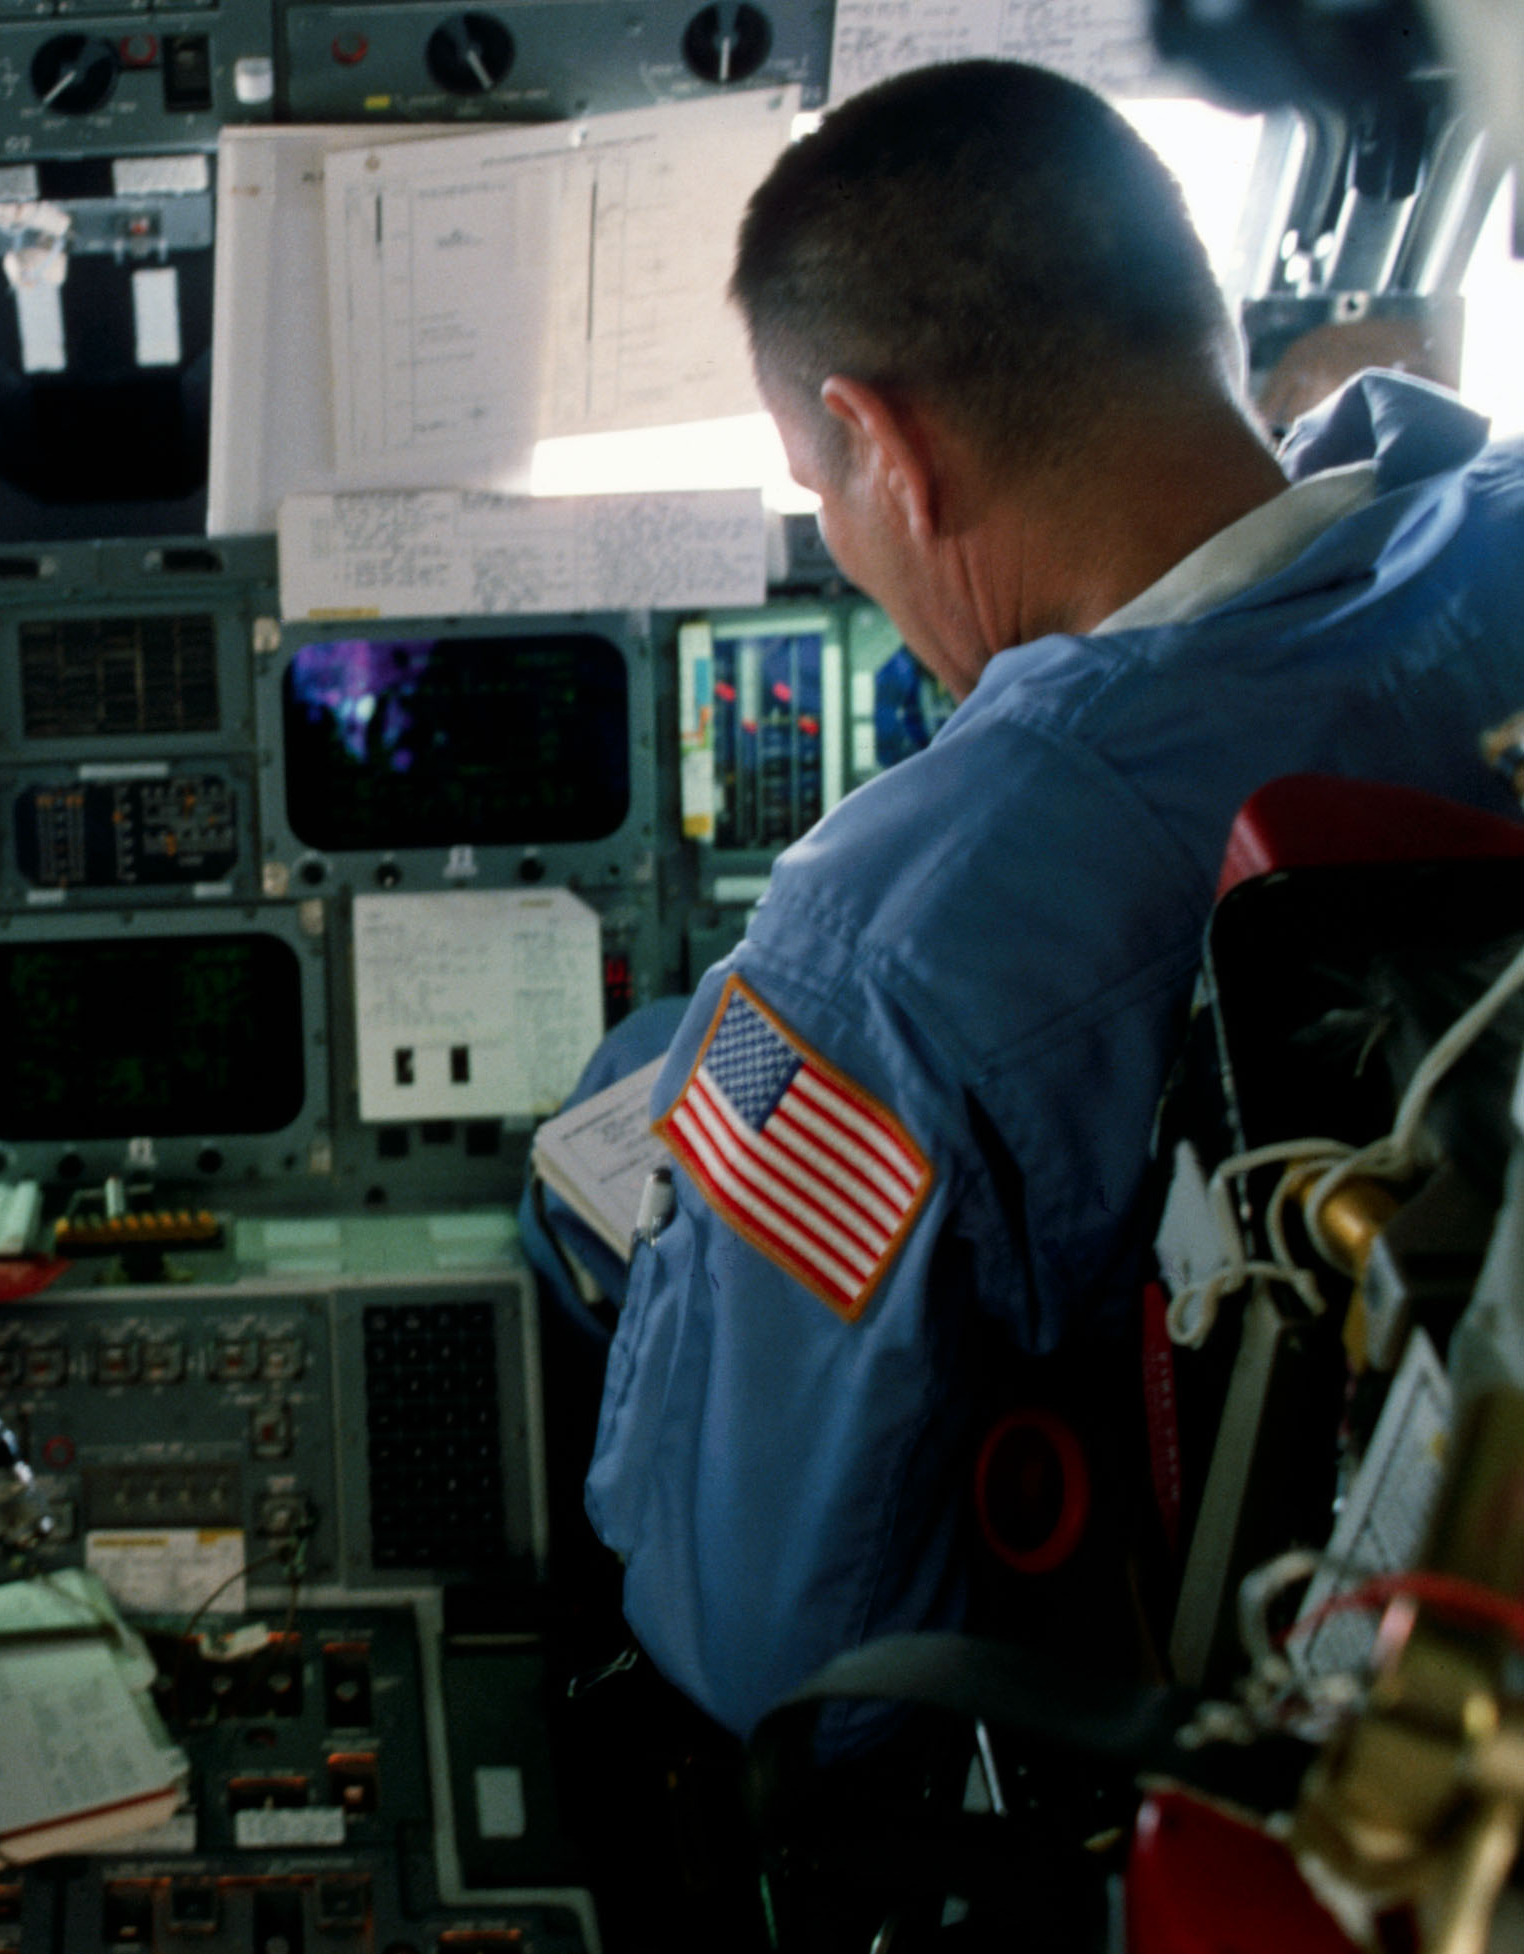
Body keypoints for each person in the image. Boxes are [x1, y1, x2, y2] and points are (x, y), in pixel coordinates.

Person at [573, 60, 1524, 1745]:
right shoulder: (1493, 532)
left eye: (821, 485)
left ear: (880, 442)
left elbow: (772, 1643)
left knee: (636, 1103)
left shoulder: (882, 948)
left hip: (1178, 1733)